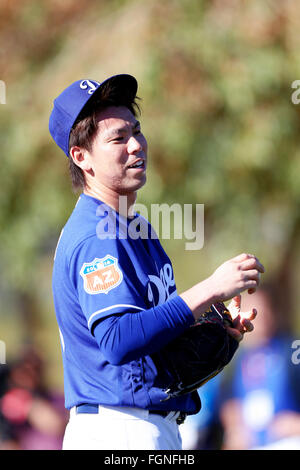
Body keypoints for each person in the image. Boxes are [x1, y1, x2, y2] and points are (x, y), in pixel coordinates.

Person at [48, 74, 265, 450]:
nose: (136, 145)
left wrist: (214, 325)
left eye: (137, 130)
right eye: (117, 138)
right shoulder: (96, 236)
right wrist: (210, 288)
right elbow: (118, 341)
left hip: (144, 427)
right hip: (119, 431)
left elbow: (147, 338)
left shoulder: (133, 229)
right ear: (81, 157)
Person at [220, 287, 300, 450]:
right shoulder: (234, 357)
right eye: (251, 311)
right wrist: (235, 428)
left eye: (261, 310)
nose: (257, 318)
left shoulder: (293, 349)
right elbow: (227, 401)